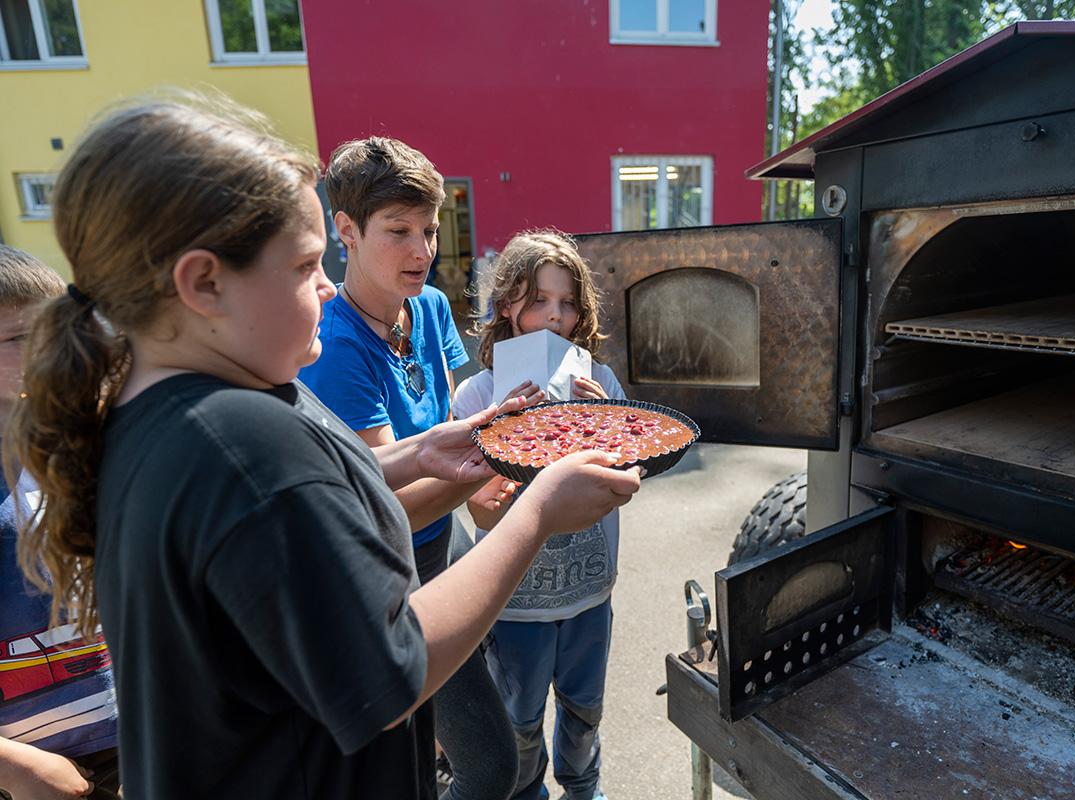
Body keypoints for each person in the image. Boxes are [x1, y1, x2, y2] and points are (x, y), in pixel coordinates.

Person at [3, 93, 640, 800]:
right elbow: (389, 671)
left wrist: (420, 452)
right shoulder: (246, 449)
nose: (329, 287)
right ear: (204, 283)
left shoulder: (188, 398)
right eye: (307, 265)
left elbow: (321, 484)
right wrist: (540, 510)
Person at [296, 136, 520, 800]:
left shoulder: (427, 307)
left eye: (430, 229)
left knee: (447, 725)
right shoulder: (335, 346)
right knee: (491, 767)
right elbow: (386, 505)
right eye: (399, 231)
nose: (423, 251)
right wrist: (508, 459)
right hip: (394, 570)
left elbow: (445, 427)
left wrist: (489, 458)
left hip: (446, 541)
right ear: (346, 231)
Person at [453, 230, 622, 800]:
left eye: (568, 302)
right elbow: (479, 513)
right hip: (514, 603)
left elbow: (626, 478)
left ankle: (584, 789)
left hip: (589, 593)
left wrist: (608, 427)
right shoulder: (477, 397)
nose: (555, 315)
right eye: (539, 300)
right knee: (519, 721)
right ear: (506, 306)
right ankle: (527, 793)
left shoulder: (601, 384)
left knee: (585, 711)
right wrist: (496, 475)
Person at [0, 246, 120, 799]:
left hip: (141, 738)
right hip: (31, 776)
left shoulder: (85, 441)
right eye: (19, 337)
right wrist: (13, 767)